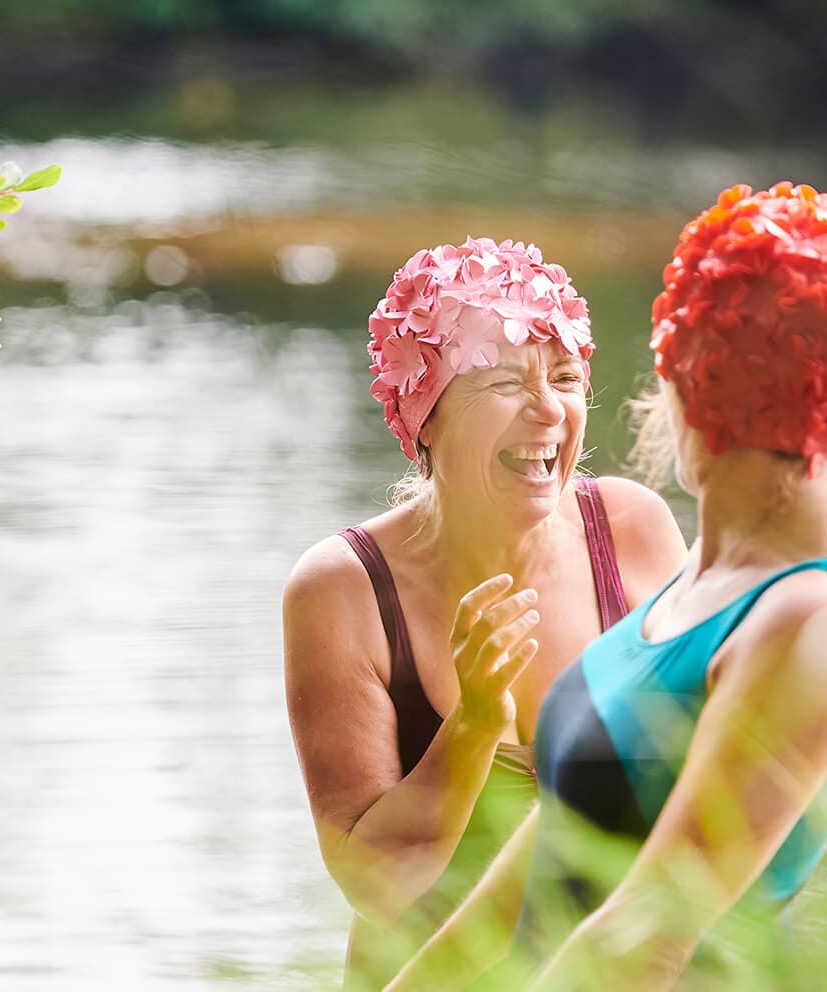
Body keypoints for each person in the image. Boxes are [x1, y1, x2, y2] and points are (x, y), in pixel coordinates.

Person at [388, 182, 827, 990]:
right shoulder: (706, 572)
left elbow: (648, 944)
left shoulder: (814, 618)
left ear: (692, 372)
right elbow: (545, 858)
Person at [282, 237, 689, 988]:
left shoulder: (633, 533)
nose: (548, 410)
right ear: (425, 415)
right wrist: (471, 724)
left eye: (565, 377)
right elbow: (374, 887)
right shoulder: (344, 590)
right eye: (504, 382)